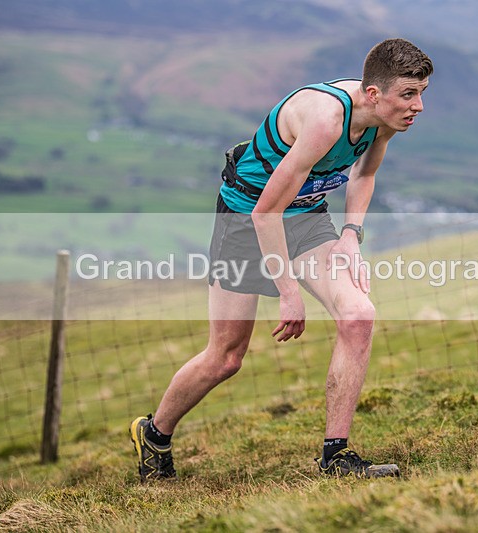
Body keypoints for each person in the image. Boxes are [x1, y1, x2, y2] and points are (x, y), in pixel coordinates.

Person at [130, 38, 433, 481]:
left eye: (422, 92)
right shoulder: (327, 120)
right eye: (409, 94)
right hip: (247, 217)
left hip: (305, 216)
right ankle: (154, 433)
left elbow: (364, 172)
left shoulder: (385, 119)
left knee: (357, 315)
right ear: (374, 93)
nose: (419, 106)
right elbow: (264, 213)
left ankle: (336, 457)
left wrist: (351, 234)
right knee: (226, 358)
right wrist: (288, 292)